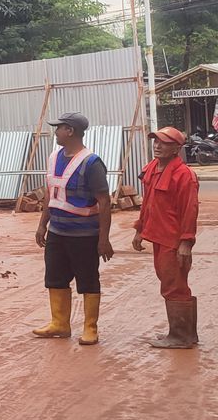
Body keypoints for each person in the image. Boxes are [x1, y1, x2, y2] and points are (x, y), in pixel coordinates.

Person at [33, 112, 114, 344]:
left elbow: (104, 201)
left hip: (84, 235)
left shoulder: (92, 163)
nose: (55, 131)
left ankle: (90, 328)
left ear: (70, 131)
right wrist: (42, 225)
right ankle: (59, 324)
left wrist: (103, 239)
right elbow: (51, 193)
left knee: (88, 280)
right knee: (55, 278)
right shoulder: (54, 157)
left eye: (59, 128)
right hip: (58, 233)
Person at [133, 127, 200, 349]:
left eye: (164, 142)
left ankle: (180, 337)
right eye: (156, 141)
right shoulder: (153, 168)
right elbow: (148, 203)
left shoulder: (184, 176)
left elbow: (189, 211)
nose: (157, 145)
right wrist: (139, 229)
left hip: (173, 240)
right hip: (158, 236)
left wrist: (185, 243)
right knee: (170, 283)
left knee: (174, 286)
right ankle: (185, 334)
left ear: (177, 149)